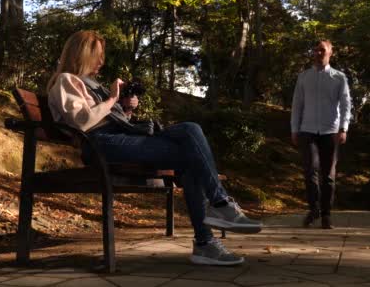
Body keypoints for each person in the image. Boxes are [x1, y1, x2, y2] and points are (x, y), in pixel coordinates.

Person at [47, 30, 262, 266]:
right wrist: (111, 99)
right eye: (97, 55)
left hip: (117, 139)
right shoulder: (66, 80)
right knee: (191, 153)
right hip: (102, 145)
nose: (102, 62)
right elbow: (82, 122)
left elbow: (110, 120)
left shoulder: (90, 84)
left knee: (190, 131)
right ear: (82, 54)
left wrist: (125, 108)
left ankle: (211, 228)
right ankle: (213, 224)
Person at [290, 40, 351, 229]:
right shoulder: (304, 77)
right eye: (315, 50)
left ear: (330, 52)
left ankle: (326, 215)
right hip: (307, 131)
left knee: (329, 176)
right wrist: (294, 129)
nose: (317, 53)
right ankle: (313, 209)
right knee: (310, 171)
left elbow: (346, 104)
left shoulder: (339, 77)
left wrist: (343, 128)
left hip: (330, 132)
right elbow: (297, 105)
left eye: (322, 50)